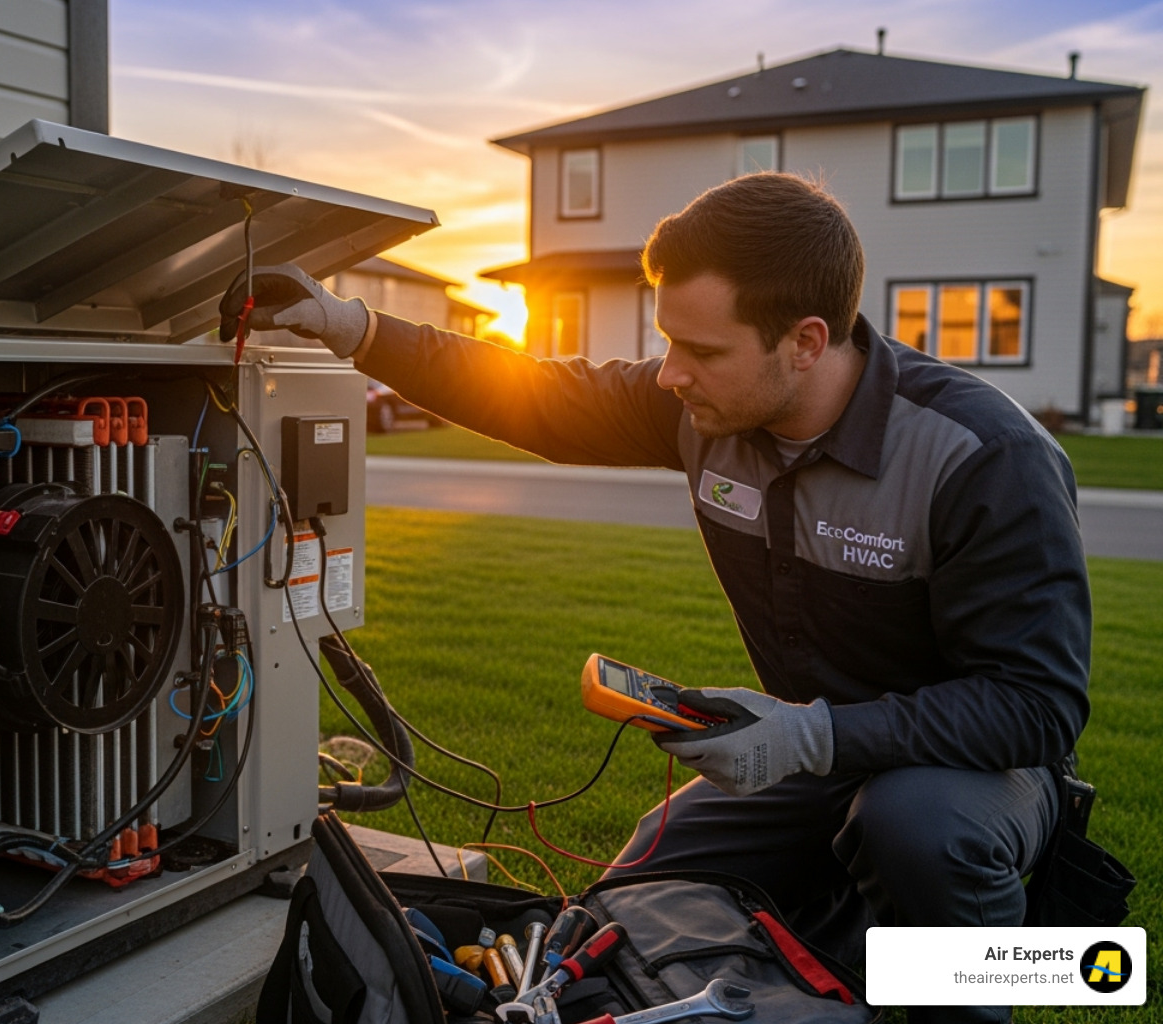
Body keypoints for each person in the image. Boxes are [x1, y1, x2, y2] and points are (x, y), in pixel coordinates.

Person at [220, 173, 1089, 1024]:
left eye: (702, 351)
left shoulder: (982, 457)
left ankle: (968, 992)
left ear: (807, 340)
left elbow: (1038, 707)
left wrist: (812, 732)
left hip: (972, 770)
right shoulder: (700, 407)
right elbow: (536, 396)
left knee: (916, 827)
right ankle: (817, 972)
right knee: (640, 881)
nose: (670, 373)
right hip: (818, 753)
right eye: (668, 341)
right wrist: (353, 326)